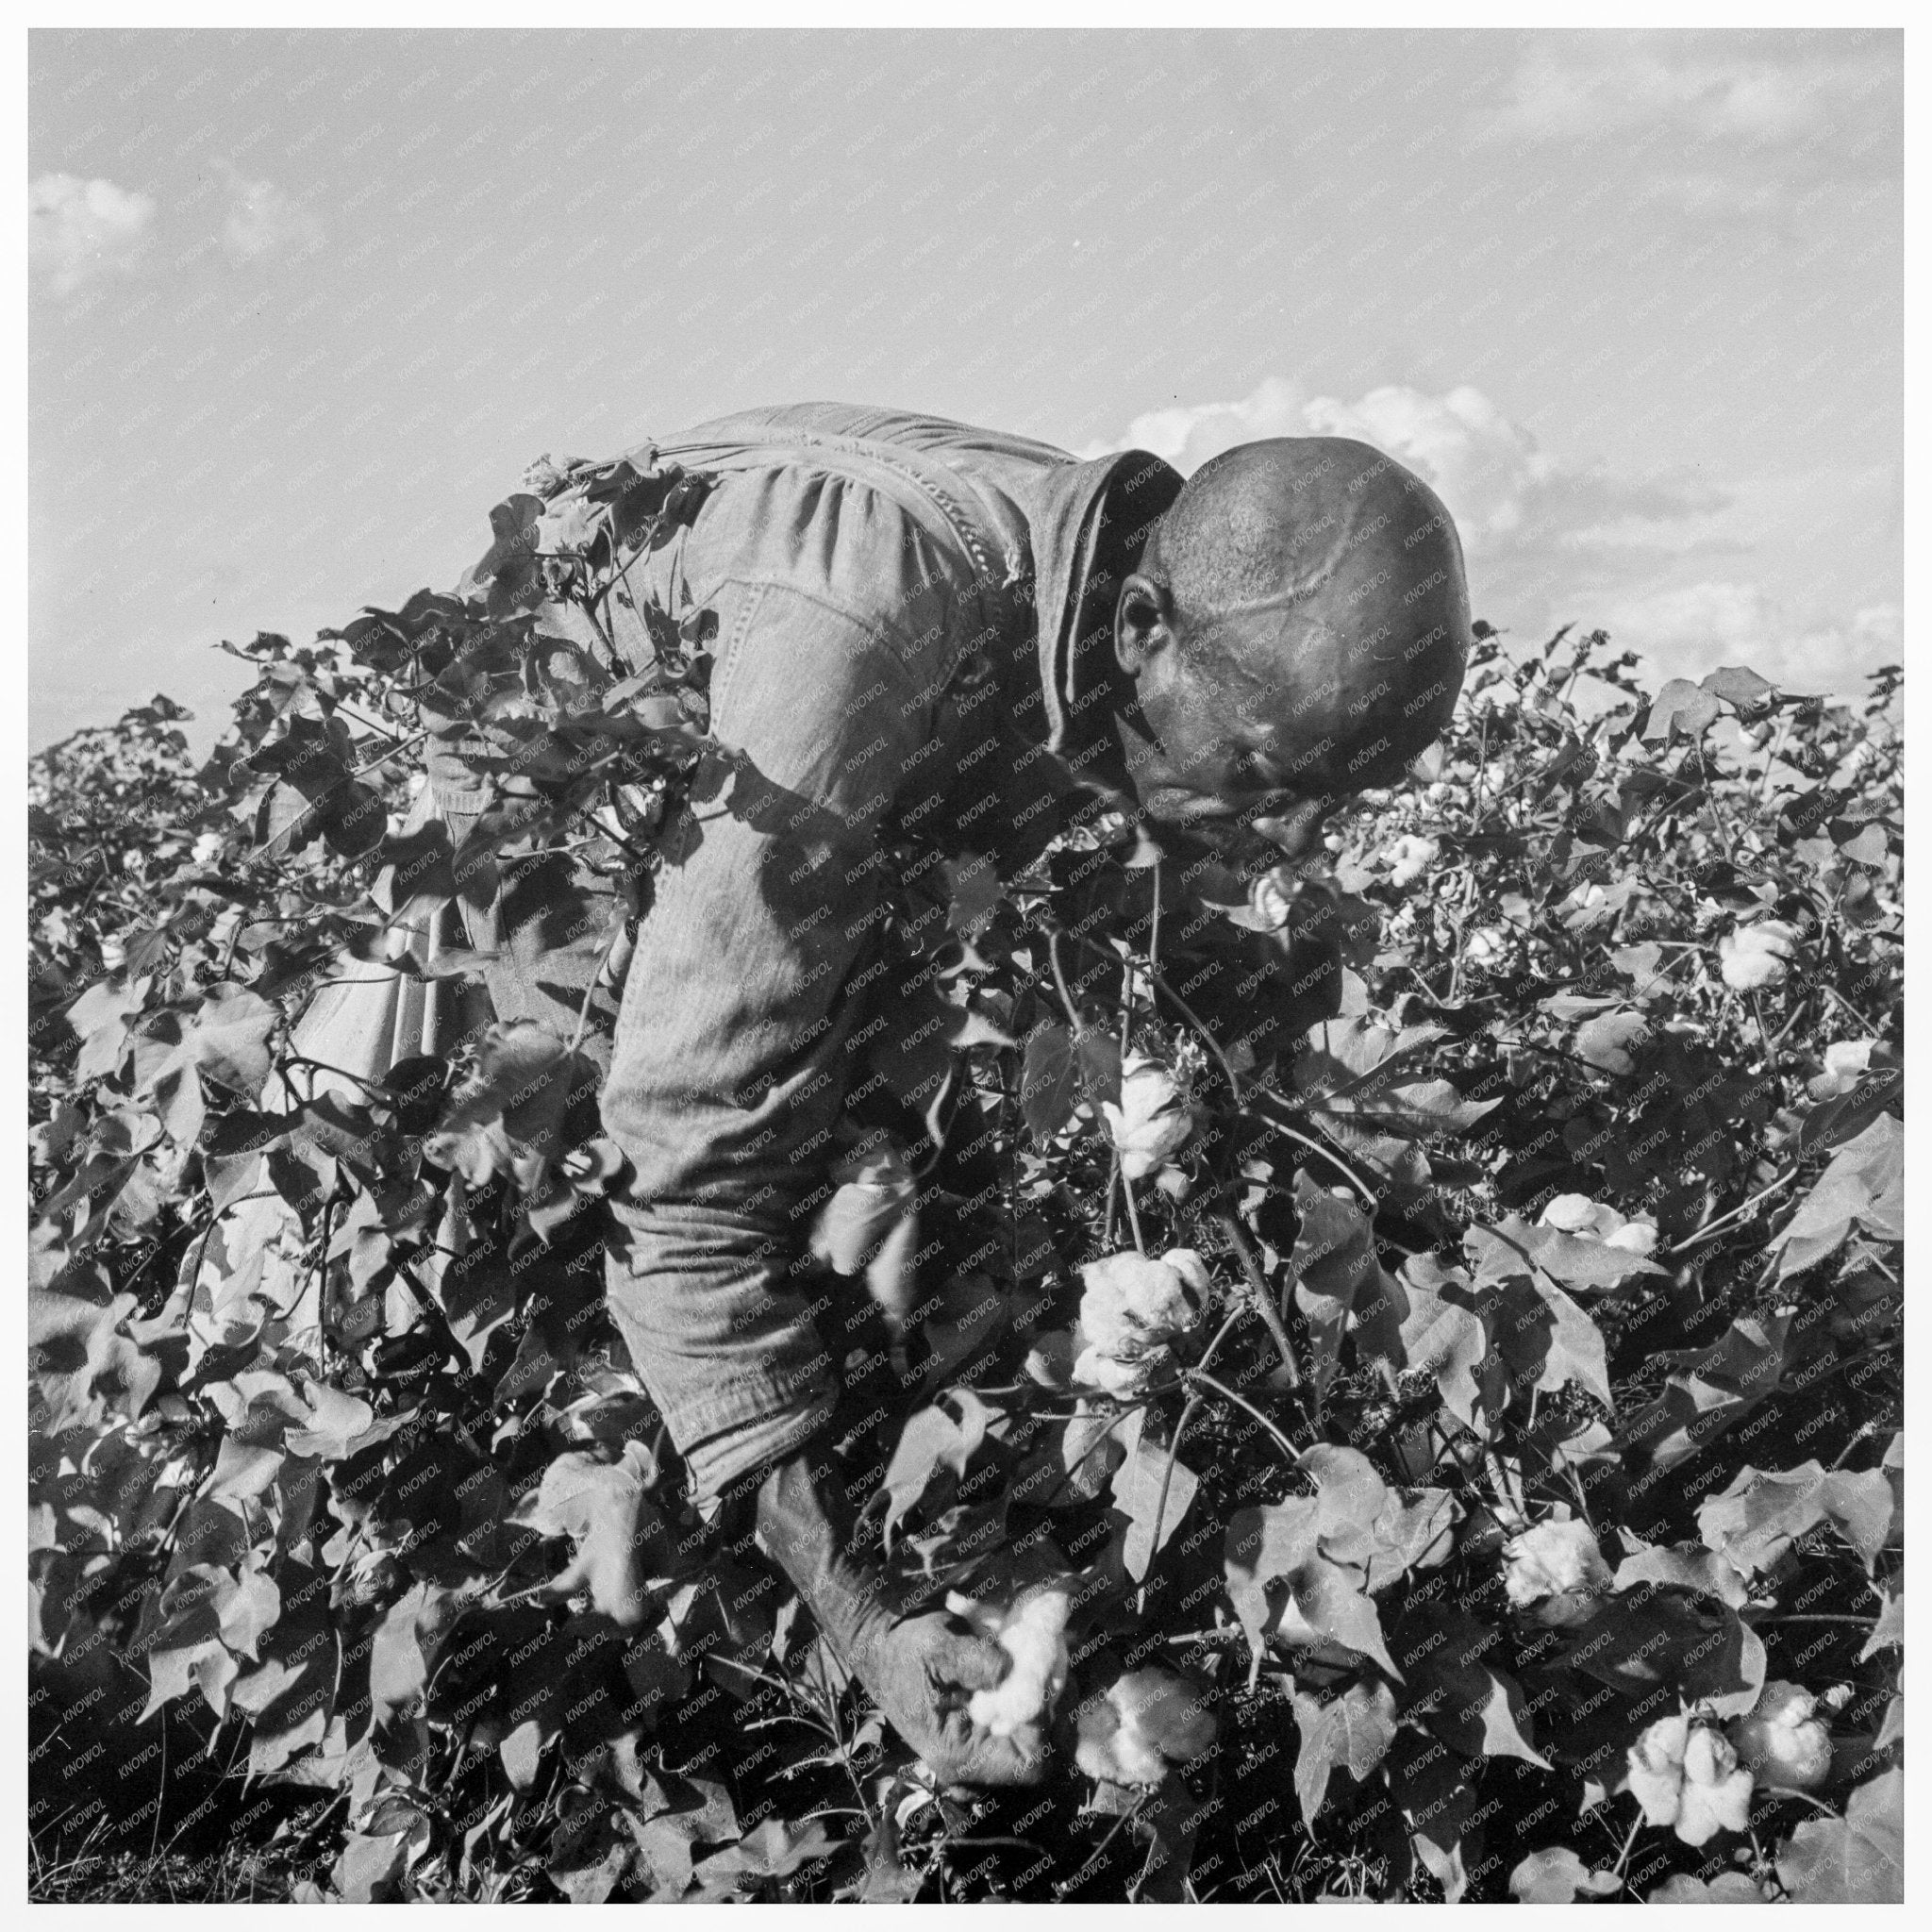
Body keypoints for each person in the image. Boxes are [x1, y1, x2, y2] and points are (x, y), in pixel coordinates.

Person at [402, 403, 1471, 1785]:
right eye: (1267, 768)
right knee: (555, 1244)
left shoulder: (1096, 598)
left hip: (764, 824)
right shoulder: (860, 633)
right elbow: (674, 1147)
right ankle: (542, 1674)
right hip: (536, 865)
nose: (1289, 828)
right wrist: (857, 1604)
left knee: (871, 1203)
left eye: (1338, 792)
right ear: (1141, 627)